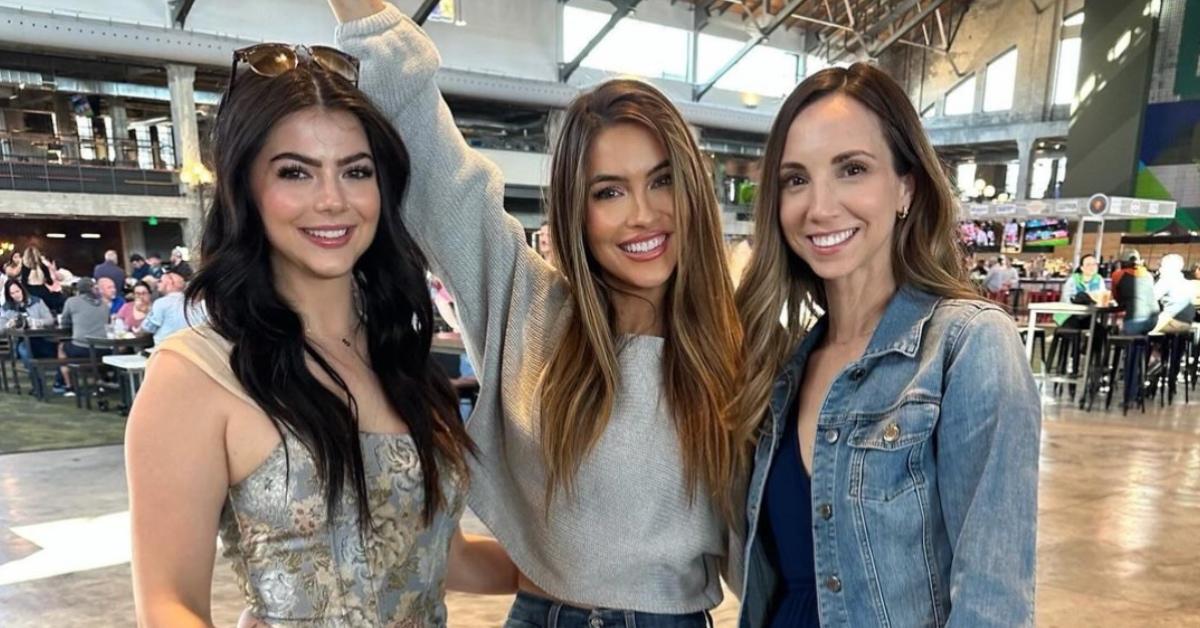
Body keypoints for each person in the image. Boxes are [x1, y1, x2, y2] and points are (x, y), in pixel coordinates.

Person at [333, 3, 744, 626]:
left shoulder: (742, 345)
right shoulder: (528, 305)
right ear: (576, 212)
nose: (642, 214)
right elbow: (428, 146)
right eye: (609, 191)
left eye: (662, 181)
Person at [124, 39, 515, 627]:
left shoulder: (398, 354)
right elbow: (168, 604)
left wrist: (587, 566)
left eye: (355, 171)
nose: (332, 200)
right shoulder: (195, 373)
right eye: (295, 173)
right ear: (245, 188)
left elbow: (443, 555)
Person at [732, 63, 1040, 626]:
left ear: (906, 186)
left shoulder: (967, 347)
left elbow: (994, 601)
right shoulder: (782, 369)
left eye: (851, 169)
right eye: (795, 179)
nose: (819, 206)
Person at [2, 279, 57, 397]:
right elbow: (1, 328)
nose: (16, 295)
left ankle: (58, 384)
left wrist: (36, 322)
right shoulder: (6, 308)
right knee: (26, 353)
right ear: (8, 295)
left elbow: (50, 320)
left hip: (40, 339)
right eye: (12, 293)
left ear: (22, 289)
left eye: (17, 291)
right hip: (21, 342)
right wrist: (9, 324)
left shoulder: (37, 301)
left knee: (60, 351)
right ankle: (38, 387)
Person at [58, 277, 112, 395]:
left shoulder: (71, 302)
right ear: (92, 289)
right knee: (92, 353)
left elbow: (65, 323)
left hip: (81, 347)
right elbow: (108, 322)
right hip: (104, 349)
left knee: (61, 348)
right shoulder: (104, 303)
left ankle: (69, 386)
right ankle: (100, 381)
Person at [140, 271, 200, 345]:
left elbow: (148, 328)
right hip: (190, 347)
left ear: (170, 283)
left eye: (160, 281)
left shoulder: (161, 303)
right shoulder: (194, 302)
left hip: (166, 348)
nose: (157, 283)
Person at [1054, 253, 1107, 327]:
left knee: (1099, 331)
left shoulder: (1099, 279)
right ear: (1082, 268)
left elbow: (1102, 296)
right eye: (1088, 265)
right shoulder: (1073, 279)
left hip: (1089, 315)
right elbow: (1067, 300)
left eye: (1094, 264)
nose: (1092, 267)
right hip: (1069, 315)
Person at [1114, 250, 1159, 335]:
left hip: (1135, 319)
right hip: (1154, 319)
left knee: (1121, 335)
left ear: (1122, 263)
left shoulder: (1118, 275)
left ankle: (1122, 347)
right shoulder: (1149, 275)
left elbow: (1117, 297)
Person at [1152, 253, 1195, 334]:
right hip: (1187, 322)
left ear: (1169, 267)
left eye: (1161, 266)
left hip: (1171, 321)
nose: (1160, 269)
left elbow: (1149, 299)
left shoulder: (1166, 280)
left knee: (1133, 326)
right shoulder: (1187, 282)